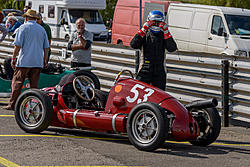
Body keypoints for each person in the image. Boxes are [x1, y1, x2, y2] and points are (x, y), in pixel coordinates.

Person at [3, 9, 49, 110]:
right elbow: (46, 47)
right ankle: (33, 105)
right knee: (34, 86)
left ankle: (12, 104)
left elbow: (17, 46)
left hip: (24, 61)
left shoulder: (23, 28)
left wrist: (13, 58)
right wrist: (45, 59)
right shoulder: (42, 29)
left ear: (26, 18)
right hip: (37, 61)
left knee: (17, 83)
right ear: (35, 19)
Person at [130, 10, 177, 91]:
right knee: (140, 93)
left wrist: (166, 31)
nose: (156, 24)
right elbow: (133, 45)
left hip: (159, 70)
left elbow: (172, 48)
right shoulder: (144, 34)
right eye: (153, 22)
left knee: (160, 95)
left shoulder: (164, 35)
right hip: (144, 69)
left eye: (158, 22)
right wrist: (144, 29)